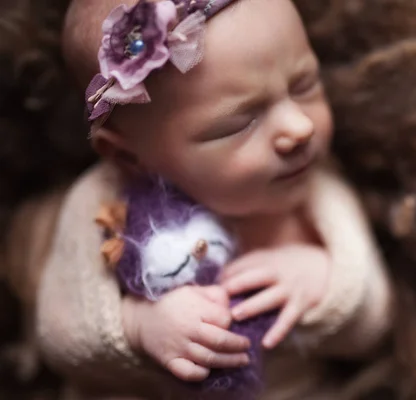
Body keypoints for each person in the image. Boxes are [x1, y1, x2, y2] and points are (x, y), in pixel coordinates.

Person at [35, 0, 393, 398]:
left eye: (304, 85)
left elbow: (375, 324)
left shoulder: (316, 192)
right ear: (128, 157)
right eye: (239, 124)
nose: (300, 126)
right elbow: (58, 335)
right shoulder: (104, 209)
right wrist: (136, 327)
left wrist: (323, 280)